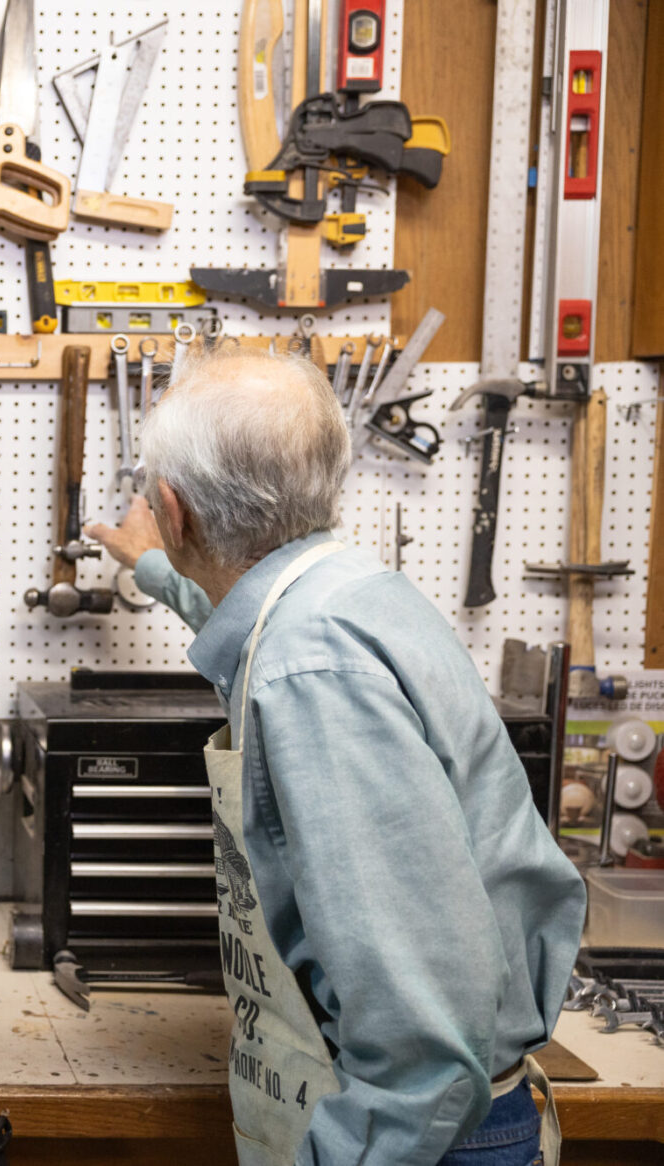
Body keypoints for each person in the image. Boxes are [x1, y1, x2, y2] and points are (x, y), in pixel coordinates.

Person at [85, 346, 585, 1166]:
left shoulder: (311, 669)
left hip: (419, 1138)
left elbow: (423, 1041)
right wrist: (150, 564)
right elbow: (233, 600)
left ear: (175, 512)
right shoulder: (345, 592)